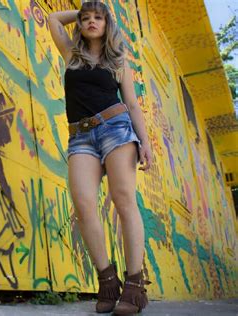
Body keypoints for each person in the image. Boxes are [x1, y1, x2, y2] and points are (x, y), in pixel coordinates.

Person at [47, 1, 153, 314]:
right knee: (83, 205)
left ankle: (134, 284)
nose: (92, 22)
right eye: (86, 19)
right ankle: (107, 279)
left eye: (98, 18)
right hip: (80, 136)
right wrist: (82, 11)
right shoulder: (71, 54)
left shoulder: (118, 61)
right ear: (79, 24)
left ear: (108, 24)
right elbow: (53, 18)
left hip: (116, 127)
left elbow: (132, 104)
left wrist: (145, 142)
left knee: (123, 200)